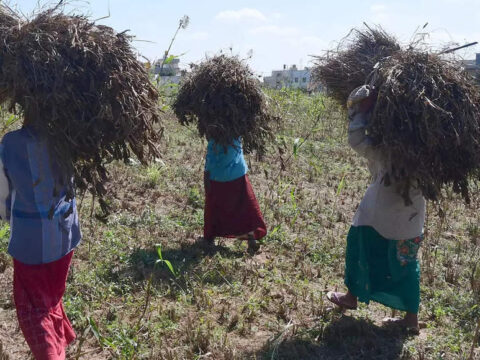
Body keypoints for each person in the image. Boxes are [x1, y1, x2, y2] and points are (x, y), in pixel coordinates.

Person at [326, 85, 426, 334]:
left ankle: (351, 297)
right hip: (411, 221)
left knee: (360, 249)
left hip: (377, 217)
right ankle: (410, 319)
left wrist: (361, 111)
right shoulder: (429, 156)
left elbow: (356, 138)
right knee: (406, 264)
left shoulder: (387, 151)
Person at [0, 119, 81, 359]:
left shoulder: (11, 143)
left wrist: (8, 215)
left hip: (30, 242)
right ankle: (59, 345)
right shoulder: (68, 137)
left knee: (34, 309)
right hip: (66, 235)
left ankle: (51, 353)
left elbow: (2, 195)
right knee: (52, 296)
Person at [203, 137, 266, 253]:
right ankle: (251, 237)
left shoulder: (214, 137)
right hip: (237, 173)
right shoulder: (236, 133)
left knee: (215, 206)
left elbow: (210, 156)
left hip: (216, 174)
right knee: (244, 206)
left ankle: (209, 238)